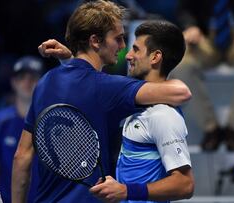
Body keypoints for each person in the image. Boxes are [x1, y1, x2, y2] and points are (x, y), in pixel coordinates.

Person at [11, 1, 191, 203]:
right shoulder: (107, 87)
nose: (123, 48)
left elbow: (22, 156)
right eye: (118, 39)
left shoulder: (45, 82)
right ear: (95, 41)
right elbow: (180, 93)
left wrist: (71, 61)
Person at [88, 20, 194, 203]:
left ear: (155, 57)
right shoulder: (135, 103)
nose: (128, 55)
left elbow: (185, 184)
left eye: (136, 49)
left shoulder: (163, 116)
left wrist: (126, 190)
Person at [169, 0, 234, 151]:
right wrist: (190, 26)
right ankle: (211, 128)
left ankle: (233, 129)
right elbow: (183, 8)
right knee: (181, 65)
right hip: (204, 38)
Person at [0, 56, 43, 203]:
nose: (27, 82)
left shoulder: (52, 122)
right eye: (22, 77)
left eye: (33, 77)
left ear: (41, 83)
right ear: (13, 82)